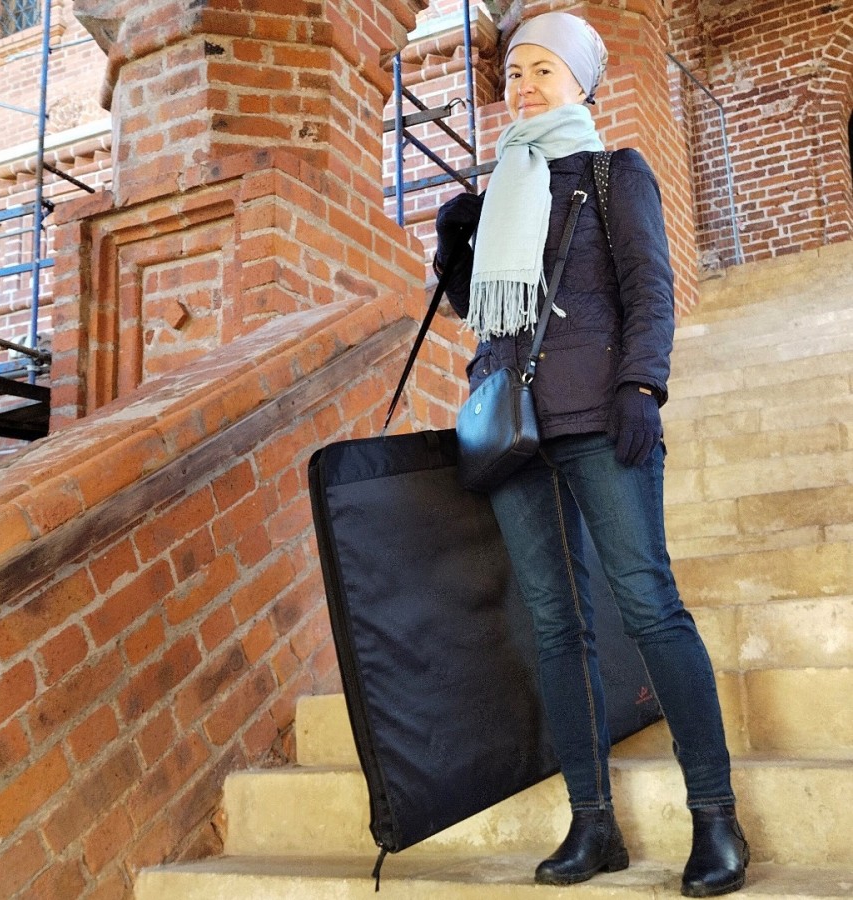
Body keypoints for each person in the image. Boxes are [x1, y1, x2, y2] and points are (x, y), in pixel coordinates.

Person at [434, 11, 749, 898]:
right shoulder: (503, 185)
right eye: (513, 73)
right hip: (513, 432)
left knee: (649, 607)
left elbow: (650, 286)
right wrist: (457, 245)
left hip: (602, 418)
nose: (523, 86)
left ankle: (716, 817)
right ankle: (592, 823)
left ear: (580, 80)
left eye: (543, 69)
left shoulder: (615, 173)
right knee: (553, 625)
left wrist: (642, 385)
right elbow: (485, 315)